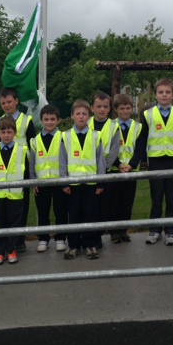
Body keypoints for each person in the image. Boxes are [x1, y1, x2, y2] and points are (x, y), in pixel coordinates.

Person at [139, 79, 173, 247]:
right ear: (156, 95)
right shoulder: (147, 114)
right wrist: (143, 160)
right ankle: (155, 230)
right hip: (156, 160)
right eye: (161, 92)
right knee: (156, 197)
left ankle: (171, 231)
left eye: (167, 92)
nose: (164, 95)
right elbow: (143, 139)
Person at [60, 99, 106, 260]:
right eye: (78, 114)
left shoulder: (96, 136)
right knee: (73, 215)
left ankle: (90, 244)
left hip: (91, 184)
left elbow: (101, 161)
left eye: (84, 114)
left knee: (90, 214)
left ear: (89, 116)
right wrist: (64, 181)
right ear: (72, 116)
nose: (81, 117)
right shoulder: (65, 136)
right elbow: (62, 160)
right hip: (72, 184)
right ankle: (73, 245)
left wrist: (100, 182)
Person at [0, 87, 35, 253]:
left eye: (9, 102)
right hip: (3, 169)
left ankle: (19, 239)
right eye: (3, 103)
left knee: (21, 205)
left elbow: (33, 146)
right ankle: (4, 239)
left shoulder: (27, 121)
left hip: (22, 168)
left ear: (16, 101)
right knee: (4, 205)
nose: (6, 105)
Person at [0, 117, 28, 265]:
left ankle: (11, 250)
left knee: (14, 224)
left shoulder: (23, 150)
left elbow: (26, 172)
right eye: (3, 132)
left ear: (15, 133)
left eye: (9, 132)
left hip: (15, 195)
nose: (6, 135)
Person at [29, 104, 68, 252]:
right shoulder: (35, 140)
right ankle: (43, 239)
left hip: (59, 182)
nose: (49, 122)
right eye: (46, 119)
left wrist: (66, 180)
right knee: (43, 212)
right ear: (41, 120)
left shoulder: (64, 137)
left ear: (58, 120)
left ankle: (60, 238)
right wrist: (34, 181)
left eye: (53, 119)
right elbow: (32, 163)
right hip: (42, 183)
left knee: (61, 211)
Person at [108, 93, 144, 243]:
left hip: (131, 170)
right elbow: (108, 148)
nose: (125, 111)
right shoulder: (109, 126)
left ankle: (124, 230)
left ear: (132, 108)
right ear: (116, 109)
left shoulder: (138, 127)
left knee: (127, 202)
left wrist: (132, 165)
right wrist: (118, 164)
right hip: (115, 170)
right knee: (113, 203)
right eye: (121, 108)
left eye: (128, 108)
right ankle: (114, 232)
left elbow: (140, 148)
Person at [89, 92, 121, 248]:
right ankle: (90, 235)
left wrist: (103, 168)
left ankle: (99, 235)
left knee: (105, 206)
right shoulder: (85, 124)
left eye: (105, 107)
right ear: (92, 108)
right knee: (90, 206)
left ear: (109, 109)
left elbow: (114, 151)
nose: (102, 110)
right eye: (98, 106)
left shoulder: (115, 126)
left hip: (106, 173)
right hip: (87, 173)